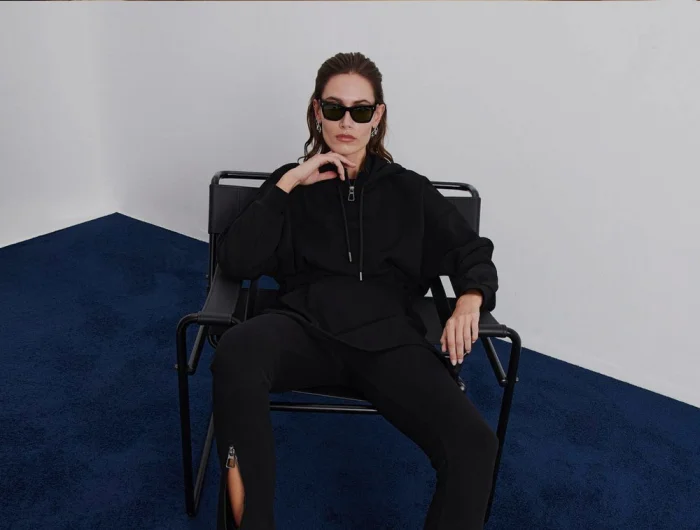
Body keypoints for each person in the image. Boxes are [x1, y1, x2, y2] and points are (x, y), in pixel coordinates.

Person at [210, 52, 499, 530]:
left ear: (377, 116)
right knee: (236, 352)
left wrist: (471, 297)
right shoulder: (291, 185)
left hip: (390, 344)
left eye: (360, 110)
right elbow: (238, 261)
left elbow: (471, 250)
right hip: (304, 328)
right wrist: (288, 183)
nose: (347, 122)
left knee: (475, 444)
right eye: (334, 108)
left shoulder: (409, 190)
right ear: (317, 110)